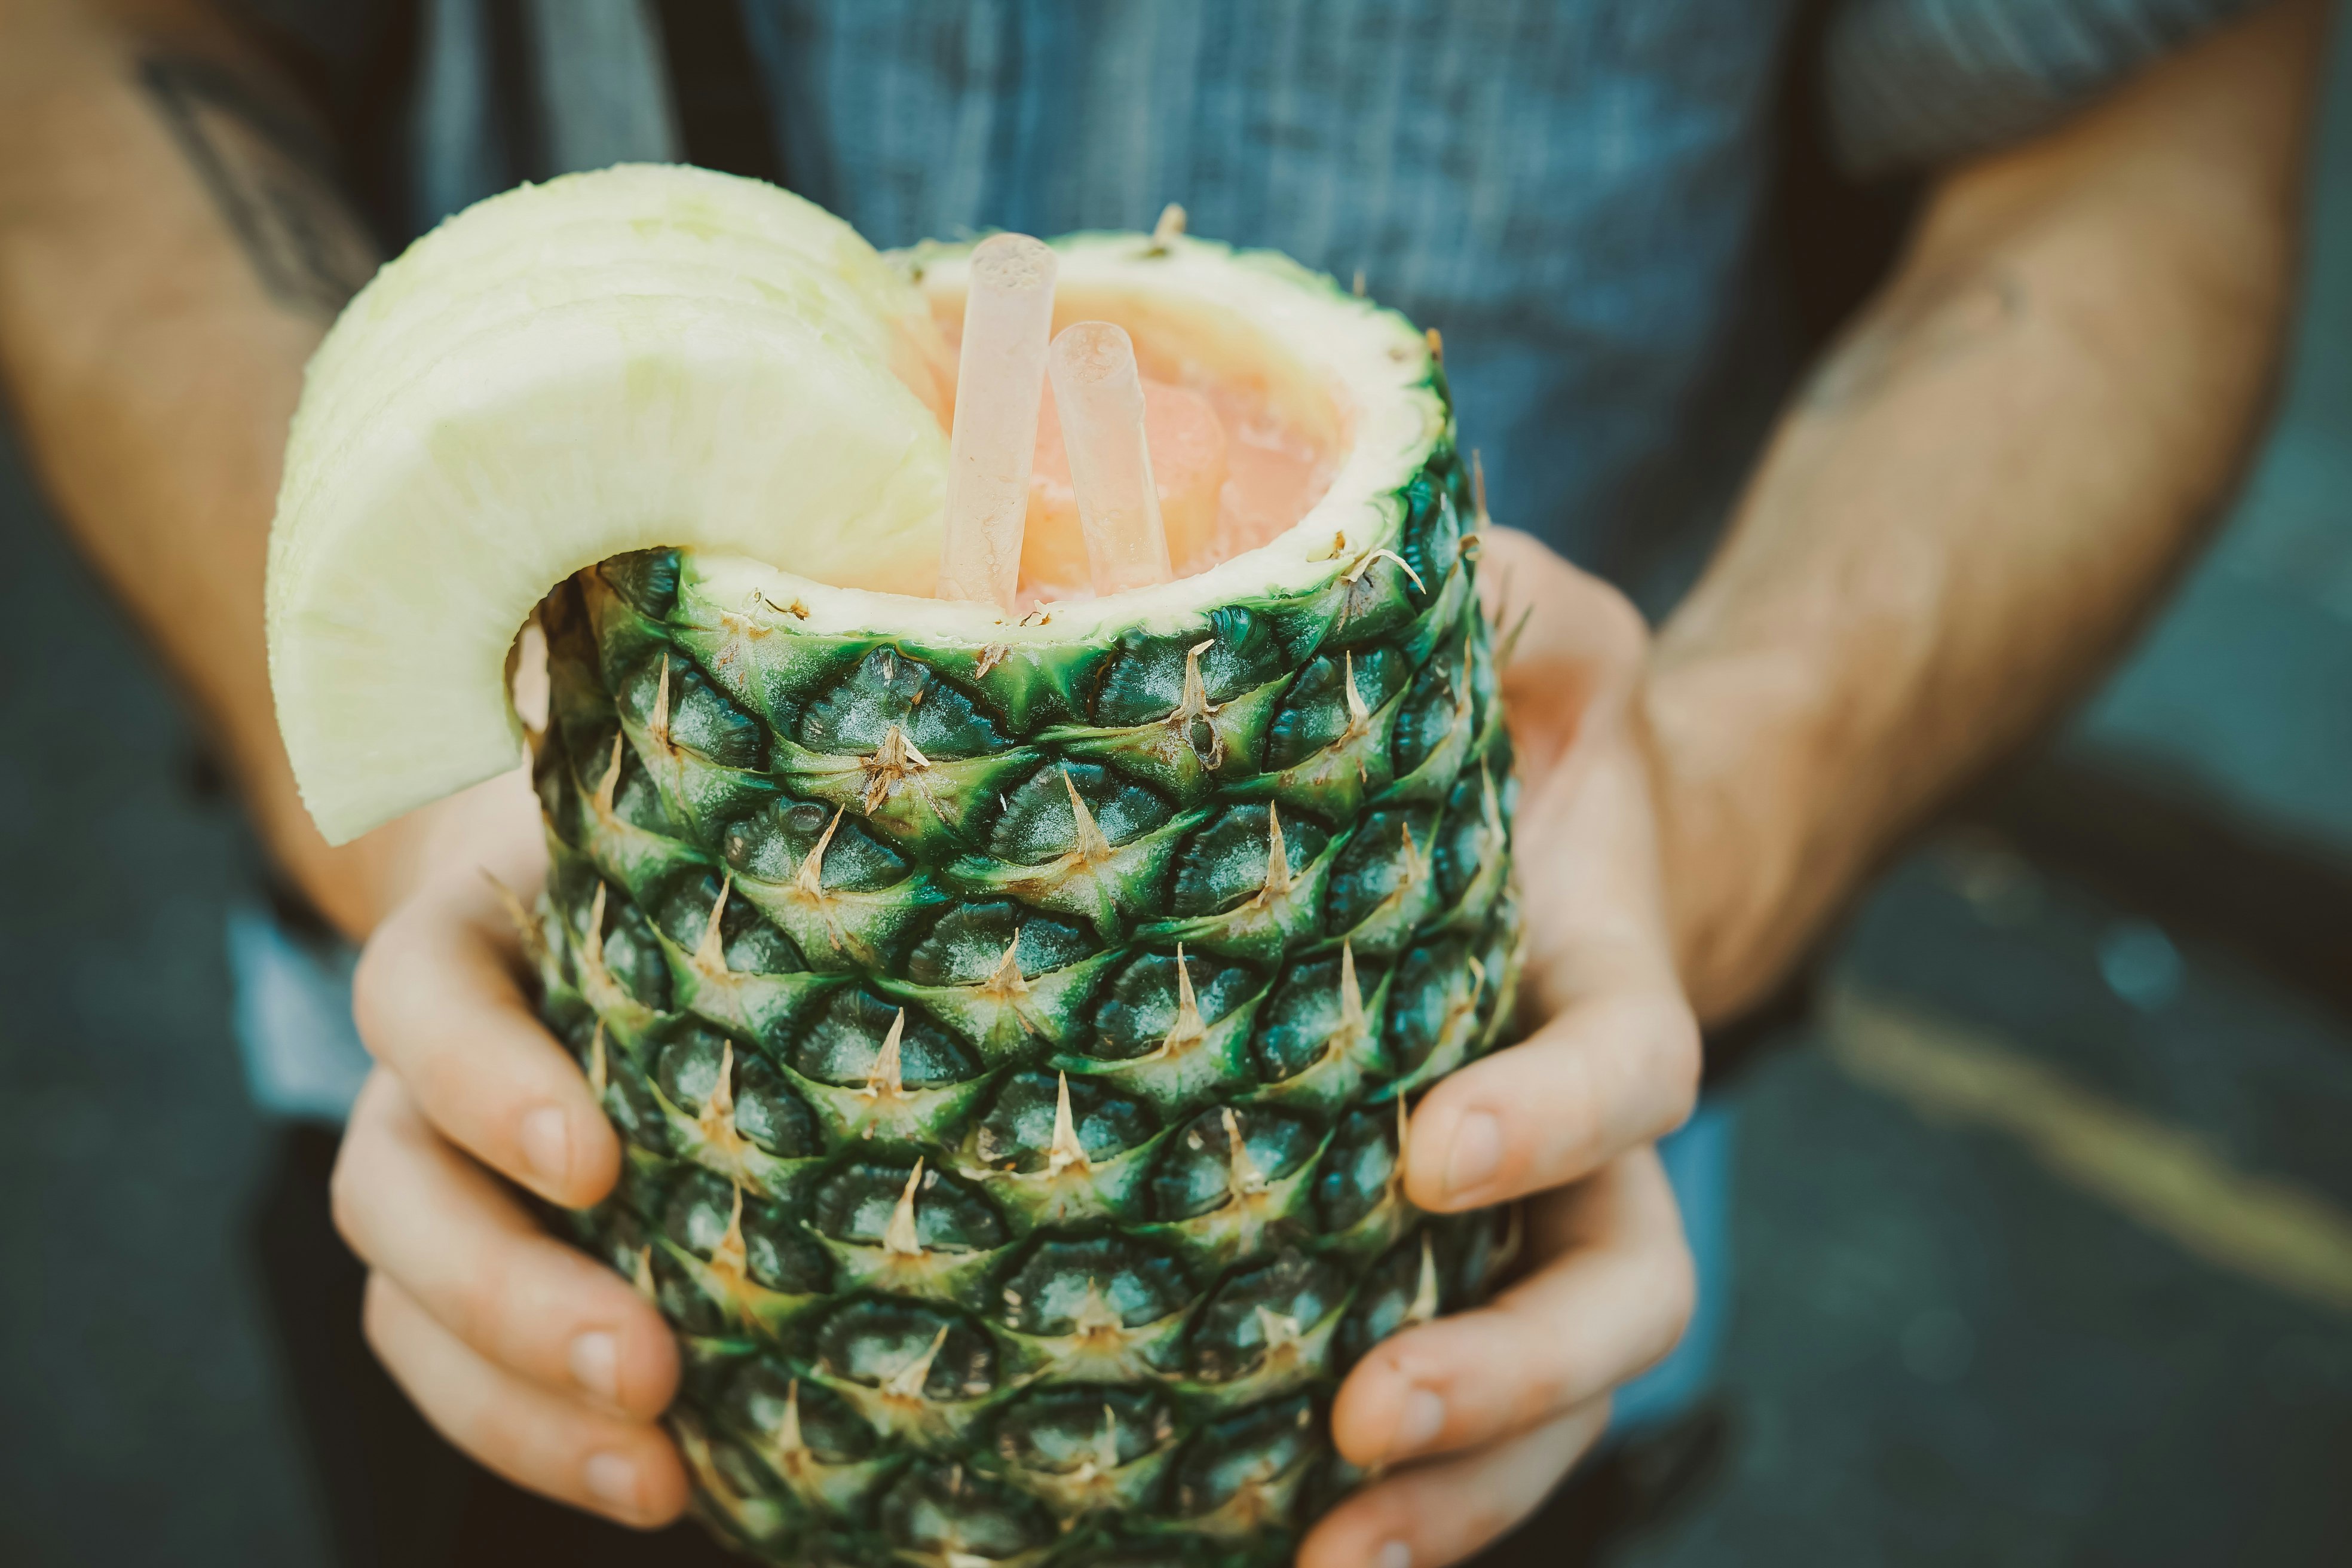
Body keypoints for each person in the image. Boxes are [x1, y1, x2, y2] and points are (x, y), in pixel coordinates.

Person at [0, 2, 2330, 1565]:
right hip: (526, 1088)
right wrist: (428, 829)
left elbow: (2134, 132)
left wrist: (1698, 811)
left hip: (1505, 1064)